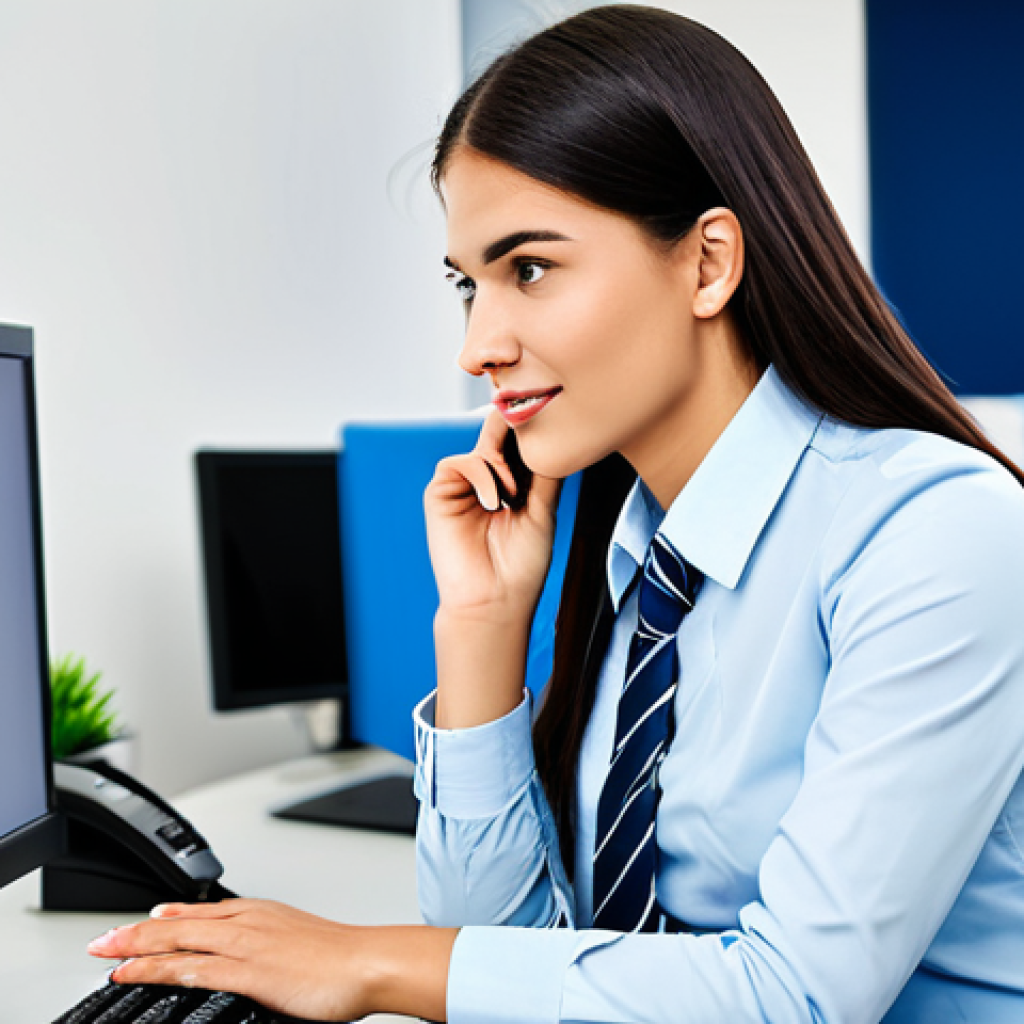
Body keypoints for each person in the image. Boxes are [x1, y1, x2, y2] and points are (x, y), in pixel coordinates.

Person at [88, 6, 1024, 1022]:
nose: (477, 347)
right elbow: (516, 962)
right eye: (468, 285)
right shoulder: (639, 559)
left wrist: (367, 964)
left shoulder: (933, 534)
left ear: (707, 263)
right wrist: (482, 628)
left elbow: (792, 997)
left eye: (528, 269)